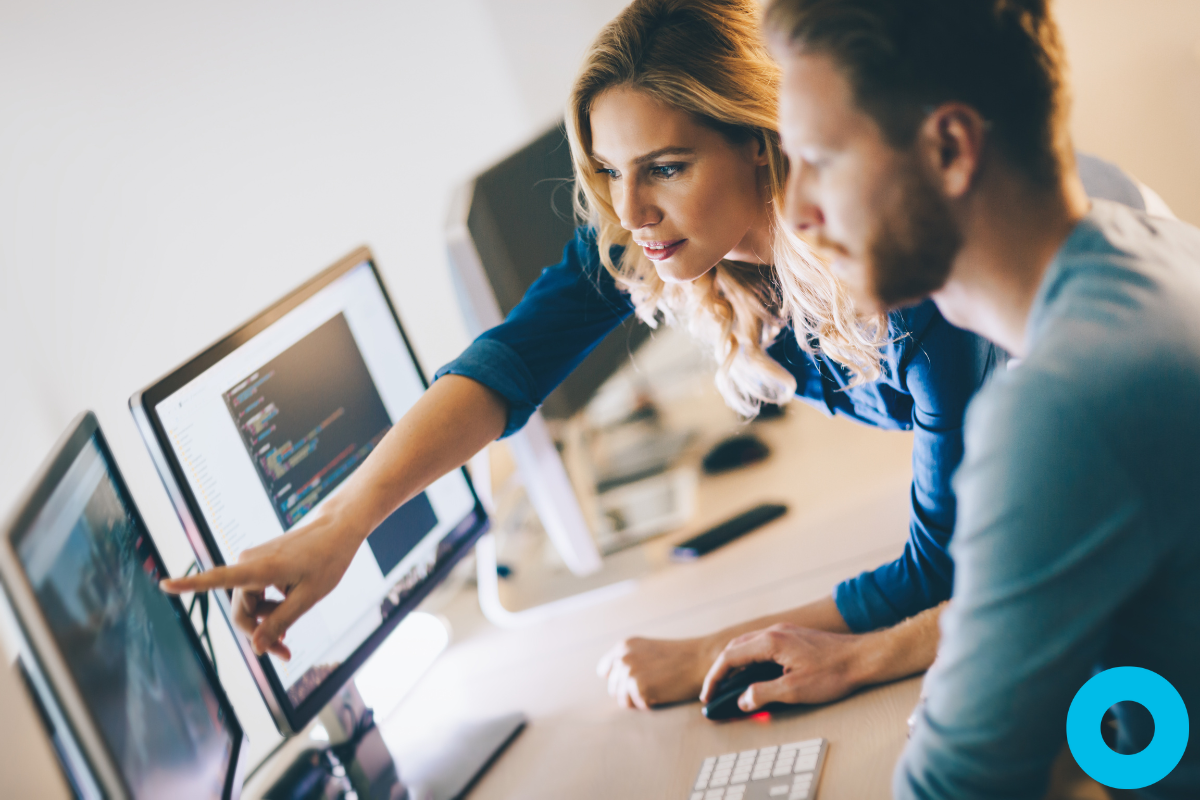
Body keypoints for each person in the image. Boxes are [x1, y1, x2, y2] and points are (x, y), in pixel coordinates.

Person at [162, 0, 1145, 716]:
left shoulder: (905, 263)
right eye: (608, 172)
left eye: (667, 166)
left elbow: (944, 569)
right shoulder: (661, 237)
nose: (631, 215)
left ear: (761, 142)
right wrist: (342, 525)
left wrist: (708, 654)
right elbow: (507, 363)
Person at [735, 0, 1200, 797]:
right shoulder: (1152, 248)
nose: (799, 211)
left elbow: (953, 789)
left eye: (821, 159)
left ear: (950, 148)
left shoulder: (1061, 407)